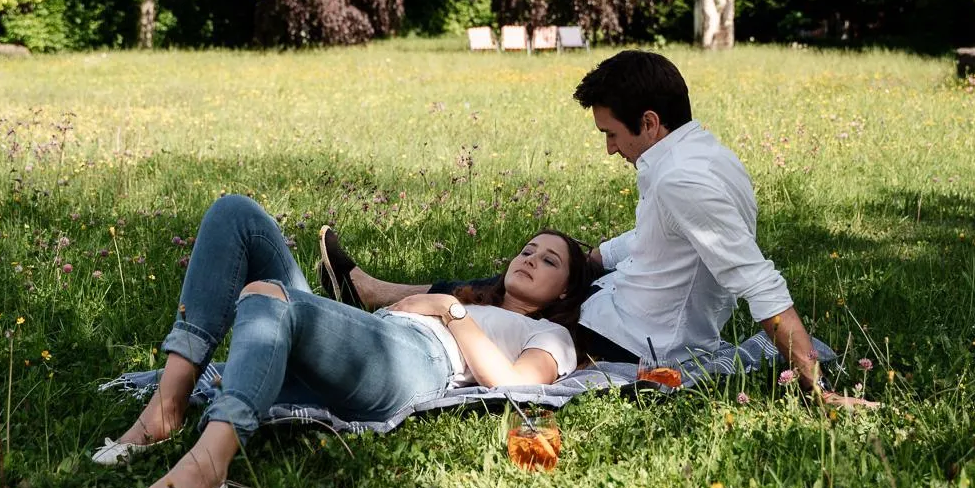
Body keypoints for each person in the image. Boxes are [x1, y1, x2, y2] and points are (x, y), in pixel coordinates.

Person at [321, 50, 875, 410]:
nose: (610, 148)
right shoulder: (695, 156)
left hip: (628, 338)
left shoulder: (685, 181)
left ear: (650, 122)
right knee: (536, 269)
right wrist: (596, 257)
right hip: (618, 300)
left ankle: (389, 308)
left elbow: (760, 284)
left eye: (611, 133)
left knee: (518, 293)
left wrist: (817, 389)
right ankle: (376, 293)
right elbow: (661, 236)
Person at [98, 194, 593, 488]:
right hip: (369, 337)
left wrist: (449, 310)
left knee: (268, 297)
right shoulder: (480, 300)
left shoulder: (550, 334)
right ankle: (166, 408)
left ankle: (208, 467)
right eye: (527, 250)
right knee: (236, 214)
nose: (529, 259)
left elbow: (513, 385)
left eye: (548, 260)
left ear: (565, 290)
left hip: (413, 362)